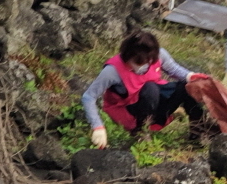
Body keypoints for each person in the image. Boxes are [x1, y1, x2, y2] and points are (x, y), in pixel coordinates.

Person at [81, 30, 209, 147]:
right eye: (138, 63)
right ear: (128, 57)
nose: (144, 66)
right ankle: (141, 134)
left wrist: (190, 76)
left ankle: (197, 135)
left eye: (148, 62)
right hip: (131, 111)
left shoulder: (158, 55)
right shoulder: (112, 71)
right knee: (150, 88)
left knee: (186, 87)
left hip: (155, 104)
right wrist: (97, 126)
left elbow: (174, 70)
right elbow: (89, 97)